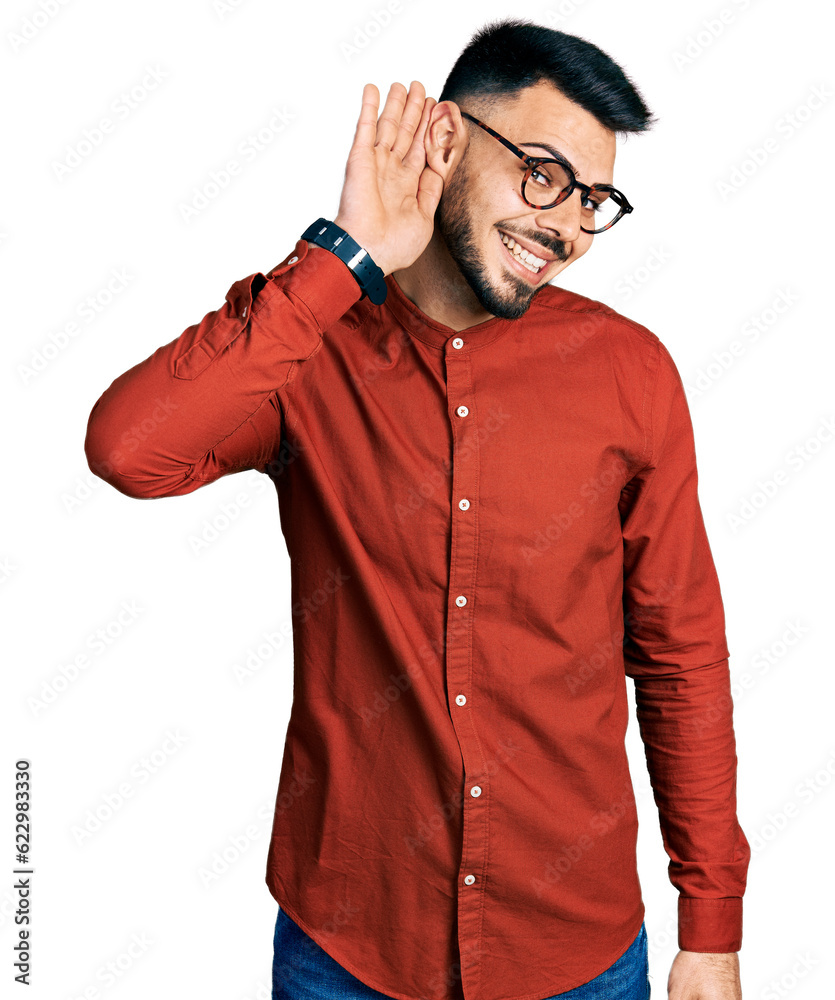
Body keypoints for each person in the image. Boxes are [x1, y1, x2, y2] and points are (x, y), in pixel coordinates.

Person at [83, 17, 750, 1000]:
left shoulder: (630, 373)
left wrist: (711, 924)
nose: (566, 224)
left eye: (593, 198)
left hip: (575, 955)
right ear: (442, 138)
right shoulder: (305, 346)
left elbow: (678, 650)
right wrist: (343, 255)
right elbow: (130, 449)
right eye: (541, 173)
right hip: (348, 948)